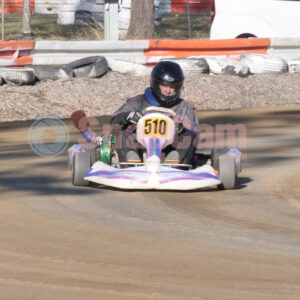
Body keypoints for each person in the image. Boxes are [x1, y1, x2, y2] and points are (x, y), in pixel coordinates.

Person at [110, 61, 199, 165]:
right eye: (164, 86)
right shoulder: (137, 102)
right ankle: (131, 164)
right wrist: (128, 116)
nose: (168, 91)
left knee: (189, 136)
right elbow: (113, 122)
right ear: (156, 84)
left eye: (172, 87)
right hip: (140, 145)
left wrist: (181, 128)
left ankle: (175, 164)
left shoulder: (185, 107)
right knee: (124, 134)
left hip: (170, 147)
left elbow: (194, 132)